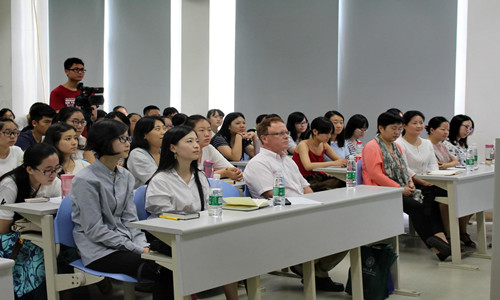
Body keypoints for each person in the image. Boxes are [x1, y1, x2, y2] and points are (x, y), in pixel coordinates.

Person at [70, 119, 173, 300]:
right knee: (163, 269)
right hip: (99, 251)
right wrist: (136, 249)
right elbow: (95, 230)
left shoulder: (125, 175)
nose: (128, 144)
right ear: (105, 142)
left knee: (172, 260)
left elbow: (130, 221)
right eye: (122, 139)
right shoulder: (86, 180)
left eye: (128, 139)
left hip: (125, 244)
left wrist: (143, 245)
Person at [243, 116, 346, 292]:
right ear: (264, 138)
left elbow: (306, 188)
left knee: (347, 229)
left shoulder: (288, 160)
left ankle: (315, 271)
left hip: (302, 209)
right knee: (337, 230)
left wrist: (317, 207)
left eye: (286, 132)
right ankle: (307, 268)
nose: (285, 136)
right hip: (280, 216)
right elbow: (273, 196)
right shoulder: (258, 163)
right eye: (279, 133)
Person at [145, 125, 239, 300]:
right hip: (169, 237)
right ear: (173, 148)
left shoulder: (200, 176)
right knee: (222, 249)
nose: (196, 145)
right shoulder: (161, 180)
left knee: (232, 245)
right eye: (189, 141)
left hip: (197, 232)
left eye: (196, 141)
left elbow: (207, 210)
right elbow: (164, 220)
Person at [362, 112, 451, 261]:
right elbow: (375, 174)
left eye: (398, 129)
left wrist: (409, 183)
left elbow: (404, 168)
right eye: (393, 129)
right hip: (380, 190)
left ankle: (438, 243)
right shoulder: (372, 146)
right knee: (417, 206)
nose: (397, 133)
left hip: (398, 188)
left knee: (427, 200)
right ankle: (434, 243)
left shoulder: (395, 146)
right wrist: (399, 188)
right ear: (381, 128)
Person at [0, 143, 62, 299]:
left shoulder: (55, 182)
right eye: (47, 170)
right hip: (10, 237)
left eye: (56, 168)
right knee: (39, 256)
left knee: (65, 251)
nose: (53, 174)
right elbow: (2, 227)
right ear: (29, 169)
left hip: (42, 232)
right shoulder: (10, 184)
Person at [427, 116, 474, 247]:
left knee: (472, 194)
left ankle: (461, 232)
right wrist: (448, 164)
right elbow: (437, 165)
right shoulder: (427, 144)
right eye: (443, 129)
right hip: (435, 182)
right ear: (432, 130)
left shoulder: (442, 146)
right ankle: (451, 235)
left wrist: (447, 164)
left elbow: (454, 161)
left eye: (447, 130)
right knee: (451, 196)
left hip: (449, 177)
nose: (446, 133)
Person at [292, 117, 347, 191]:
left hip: (318, 177)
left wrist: (344, 162)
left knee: (345, 181)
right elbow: (308, 166)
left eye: (330, 133)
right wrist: (334, 163)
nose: (329, 136)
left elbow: (338, 160)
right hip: (304, 180)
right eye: (326, 133)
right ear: (315, 131)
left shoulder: (324, 144)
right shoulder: (303, 145)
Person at [185, 115, 243, 181]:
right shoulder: (185, 150)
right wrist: (223, 173)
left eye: (209, 130)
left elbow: (231, 169)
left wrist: (236, 172)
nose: (207, 134)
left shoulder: (208, 148)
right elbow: (193, 179)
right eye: (201, 130)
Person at [126, 116, 166, 188]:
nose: (163, 132)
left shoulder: (163, 152)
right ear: (144, 134)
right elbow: (157, 182)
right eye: (157, 129)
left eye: (164, 128)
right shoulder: (137, 154)